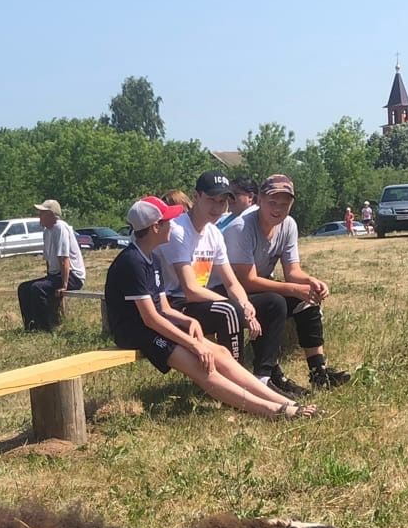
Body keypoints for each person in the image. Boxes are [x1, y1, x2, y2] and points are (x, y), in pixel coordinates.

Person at [104, 198, 309, 420]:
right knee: (203, 367)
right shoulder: (132, 262)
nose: (173, 225)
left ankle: (283, 401)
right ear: (155, 227)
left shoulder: (151, 258)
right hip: (136, 332)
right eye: (168, 221)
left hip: (154, 324)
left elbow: (163, 307)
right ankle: (271, 411)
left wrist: (189, 322)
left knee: (219, 352)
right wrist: (192, 344)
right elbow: (151, 319)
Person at [225, 175, 352, 394]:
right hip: (227, 291)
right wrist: (293, 288)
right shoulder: (241, 227)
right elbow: (246, 281)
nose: (278, 209)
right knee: (273, 303)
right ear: (259, 200)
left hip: (255, 287)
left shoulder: (288, 225)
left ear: (291, 205)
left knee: (308, 296)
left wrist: (310, 281)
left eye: (284, 204)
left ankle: (318, 371)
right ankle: (269, 375)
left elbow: (293, 272)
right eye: (272, 202)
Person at [156, 180, 258, 365]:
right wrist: (237, 305)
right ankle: (235, 373)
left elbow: (232, 283)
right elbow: (190, 290)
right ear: (197, 196)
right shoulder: (178, 230)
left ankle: (265, 374)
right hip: (173, 303)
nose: (217, 207)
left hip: (198, 301)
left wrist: (246, 305)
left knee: (272, 303)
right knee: (229, 310)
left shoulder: (214, 233)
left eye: (222, 202)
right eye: (212, 200)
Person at [17, 199, 85, 331]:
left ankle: (45, 327)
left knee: (38, 288)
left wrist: (64, 285)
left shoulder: (60, 227)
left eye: (42, 213)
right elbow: (48, 260)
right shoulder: (47, 231)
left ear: (51, 215)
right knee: (24, 288)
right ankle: (31, 326)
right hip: (56, 275)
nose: (39, 216)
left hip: (72, 276)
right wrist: (48, 277)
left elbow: (65, 259)